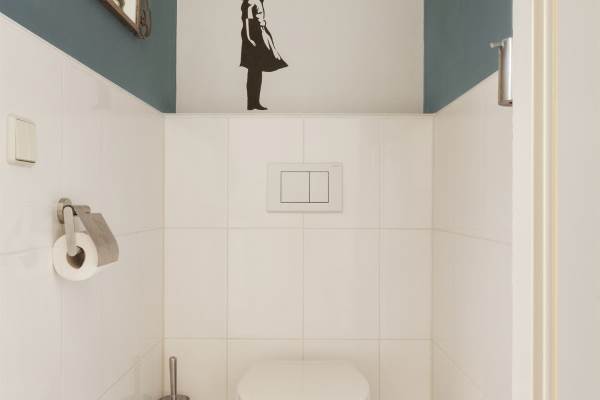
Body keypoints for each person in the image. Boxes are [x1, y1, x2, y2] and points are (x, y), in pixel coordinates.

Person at [240, 0, 288, 110]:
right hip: (254, 39)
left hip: (260, 35)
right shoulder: (250, 2)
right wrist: (249, 38)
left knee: (257, 72)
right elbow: (247, 21)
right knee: (253, 71)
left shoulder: (259, 2)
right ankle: (251, 103)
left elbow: (258, 20)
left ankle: (255, 102)